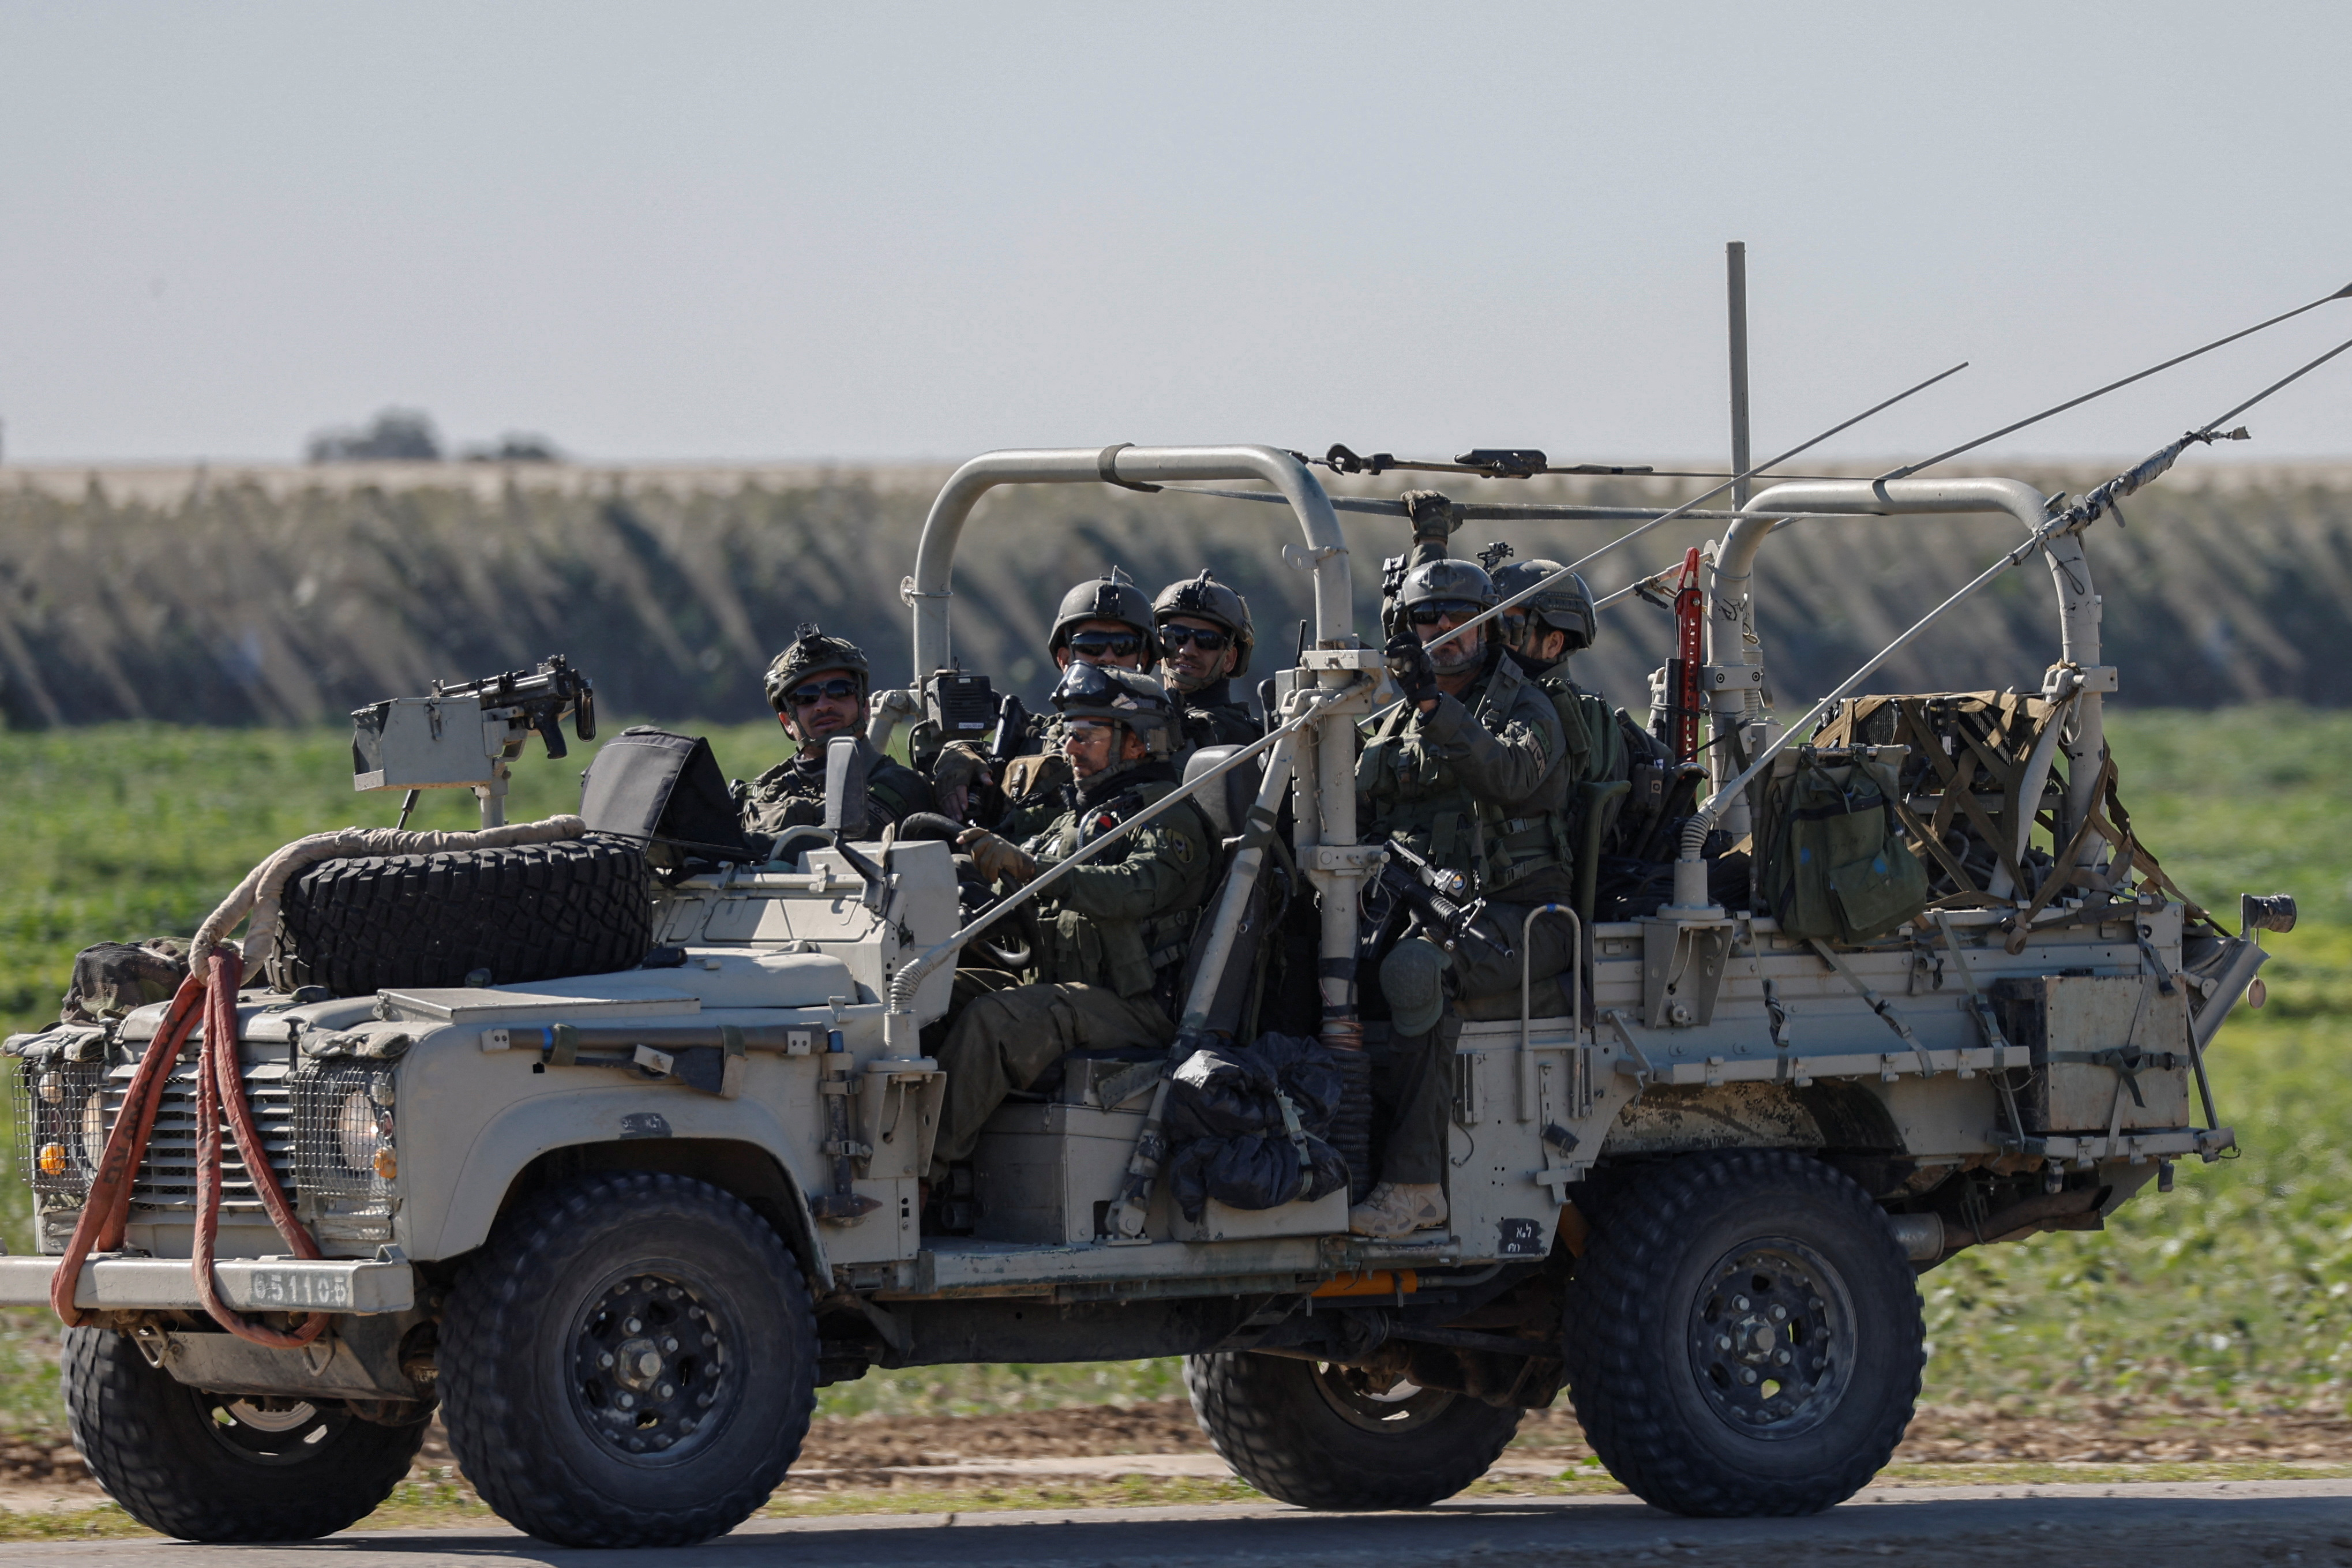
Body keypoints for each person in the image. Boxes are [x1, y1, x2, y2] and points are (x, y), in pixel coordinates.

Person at [1353, 543, 1577, 1240]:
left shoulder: (1528, 708)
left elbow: (1508, 775)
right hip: (1416, 904)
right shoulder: (1391, 722)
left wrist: (1432, 706)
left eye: (1458, 618)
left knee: (1417, 973)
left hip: (1522, 921)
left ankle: (1417, 1186)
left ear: (1487, 627)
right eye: (1426, 619)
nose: (1442, 631)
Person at [927, 662, 1216, 1179]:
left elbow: (1131, 889)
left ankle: (926, 1177)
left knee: (996, 1022)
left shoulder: (1168, 815)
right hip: (1064, 985)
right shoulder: (1074, 816)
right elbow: (1018, 875)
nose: (1069, 748)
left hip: (1139, 1008)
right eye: (1067, 733)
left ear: (1136, 743)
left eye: (1086, 735)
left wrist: (1035, 870)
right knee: (927, 997)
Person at [930, 568, 1161, 836]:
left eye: (1123, 645)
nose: (1107, 657)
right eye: (1091, 645)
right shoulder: (1037, 738)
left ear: (1142, 659)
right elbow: (983, 759)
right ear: (1065, 660)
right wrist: (958, 753)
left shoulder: (1164, 741)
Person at [736, 624, 935, 838]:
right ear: (786, 721)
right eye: (806, 698)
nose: (824, 705)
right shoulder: (767, 795)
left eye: (839, 691)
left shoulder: (901, 785)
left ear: (865, 707)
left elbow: (838, 844)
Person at [1488, 552, 1624, 790]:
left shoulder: (1550, 712)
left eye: (1510, 628)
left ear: (1553, 644)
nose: (1494, 638)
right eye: (1491, 625)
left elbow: (1506, 776)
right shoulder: (1484, 690)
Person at [1153, 569, 1260, 751]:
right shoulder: (1142, 715)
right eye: (1177, 636)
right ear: (1157, 644)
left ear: (1229, 659)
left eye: (1207, 641)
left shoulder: (1232, 735)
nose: (1188, 650)